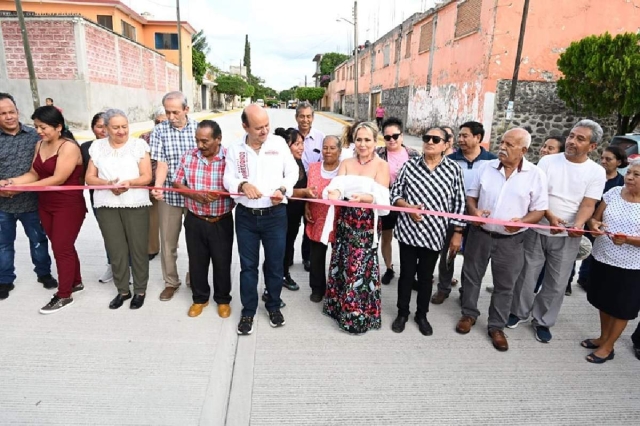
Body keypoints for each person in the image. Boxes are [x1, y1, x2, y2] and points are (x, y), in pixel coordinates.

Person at [508, 120, 607, 344]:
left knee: (557, 281)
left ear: (592, 147)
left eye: (580, 138)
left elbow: (588, 203)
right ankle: (518, 312)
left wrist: (578, 224)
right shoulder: (548, 161)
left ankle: (543, 321)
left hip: (568, 236)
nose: (572, 141)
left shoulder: (596, 172)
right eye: (571, 136)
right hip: (539, 227)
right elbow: (537, 194)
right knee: (526, 275)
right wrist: (550, 217)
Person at [455, 128, 548, 351]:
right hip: (480, 234)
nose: (502, 148)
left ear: (524, 150)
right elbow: (471, 197)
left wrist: (523, 220)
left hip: (511, 241)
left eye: (509, 145)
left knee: (505, 286)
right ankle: (469, 314)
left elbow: (540, 210)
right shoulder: (486, 168)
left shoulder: (536, 175)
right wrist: (474, 211)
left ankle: (496, 326)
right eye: (502, 143)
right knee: (471, 277)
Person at [0, 106, 86, 314]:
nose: (39, 131)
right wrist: (10, 182)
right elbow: (34, 174)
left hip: (68, 205)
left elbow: (58, 178)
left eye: (44, 127)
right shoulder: (39, 145)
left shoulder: (69, 147)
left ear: (58, 127)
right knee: (62, 245)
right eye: (37, 126)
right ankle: (76, 281)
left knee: (61, 248)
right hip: (45, 204)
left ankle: (64, 295)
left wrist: (20, 189)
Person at [223, 104, 298, 335]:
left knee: (275, 265)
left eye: (267, 125)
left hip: (275, 216)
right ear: (245, 126)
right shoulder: (235, 149)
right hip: (246, 217)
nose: (264, 131)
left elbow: (293, 172)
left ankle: (273, 305)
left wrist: (283, 189)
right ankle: (248, 311)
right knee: (248, 267)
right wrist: (242, 185)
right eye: (258, 127)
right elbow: (228, 177)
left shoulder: (278, 144)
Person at [390, 126, 466, 336]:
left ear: (445, 145)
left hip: (434, 234)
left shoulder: (453, 169)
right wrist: (407, 207)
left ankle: (421, 314)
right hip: (408, 232)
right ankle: (402, 313)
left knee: (425, 277)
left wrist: (458, 232)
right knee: (406, 275)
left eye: (435, 139)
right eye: (427, 138)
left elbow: (459, 203)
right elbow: (395, 193)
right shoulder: (409, 166)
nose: (430, 142)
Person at [322, 121, 391, 334]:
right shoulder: (346, 162)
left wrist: (366, 198)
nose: (362, 144)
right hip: (346, 222)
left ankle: (358, 316)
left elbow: (383, 197)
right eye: (359, 139)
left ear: (375, 141)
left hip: (366, 224)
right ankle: (337, 308)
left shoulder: (381, 165)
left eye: (367, 140)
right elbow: (335, 187)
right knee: (343, 262)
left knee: (360, 268)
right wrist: (332, 193)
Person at [85, 109, 152, 310]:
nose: (121, 131)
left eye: (124, 126)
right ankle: (123, 290)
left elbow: (146, 176)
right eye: (116, 127)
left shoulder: (138, 145)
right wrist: (107, 184)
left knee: (138, 248)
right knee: (116, 250)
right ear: (105, 129)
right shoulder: (97, 147)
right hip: (107, 204)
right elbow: (89, 178)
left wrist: (129, 183)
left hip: (135, 203)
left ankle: (140, 290)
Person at [174, 120, 234, 318]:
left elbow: (239, 186)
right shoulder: (188, 157)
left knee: (222, 262)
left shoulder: (230, 158)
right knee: (197, 262)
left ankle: (223, 300)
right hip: (195, 220)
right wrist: (194, 195)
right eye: (197, 140)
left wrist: (223, 193)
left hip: (221, 221)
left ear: (218, 139)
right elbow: (177, 183)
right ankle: (200, 299)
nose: (200, 146)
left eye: (205, 141)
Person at [431, 121, 496, 305]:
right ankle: (443, 288)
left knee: (472, 259)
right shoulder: (449, 160)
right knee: (446, 255)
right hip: (451, 217)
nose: (460, 139)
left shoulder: (491, 161)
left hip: (477, 219)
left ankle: (466, 291)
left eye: (465, 135)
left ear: (478, 138)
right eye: (459, 136)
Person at [0, 93, 57, 300]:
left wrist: (19, 185)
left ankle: (44, 274)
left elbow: (43, 168)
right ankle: (5, 280)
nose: (8, 117)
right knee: (3, 244)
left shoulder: (35, 136)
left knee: (38, 240)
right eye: (3, 113)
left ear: (17, 111)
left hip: (32, 201)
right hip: (2, 204)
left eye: (11, 112)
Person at [583, 159, 640, 363]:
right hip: (603, 257)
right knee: (604, 300)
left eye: (636, 175)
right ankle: (603, 337)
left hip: (632, 266)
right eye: (629, 172)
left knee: (621, 307)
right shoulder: (613, 192)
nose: (630, 177)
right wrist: (595, 225)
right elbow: (594, 218)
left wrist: (629, 240)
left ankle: (609, 346)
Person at [150, 91, 198, 301]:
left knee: (196, 241)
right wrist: (159, 186)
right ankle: (171, 282)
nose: (170, 117)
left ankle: (194, 276)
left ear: (186, 110)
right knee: (168, 242)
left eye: (175, 112)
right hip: (170, 196)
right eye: (167, 112)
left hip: (194, 196)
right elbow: (162, 162)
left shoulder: (199, 129)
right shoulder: (159, 131)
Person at [576, 145, 627, 291]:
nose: (603, 161)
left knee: (593, 250)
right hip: (583, 217)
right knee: (576, 250)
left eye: (608, 159)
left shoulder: (621, 183)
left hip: (603, 224)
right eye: (602, 158)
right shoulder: (593, 176)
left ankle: (585, 278)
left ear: (618, 162)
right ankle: (568, 282)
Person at [376, 117, 420, 285]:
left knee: (409, 240)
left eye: (395, 136)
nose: (392, 140)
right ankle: (389, 267)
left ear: (402, 136)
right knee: (386, 237)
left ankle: (411, 273)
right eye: (387, 137)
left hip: (407, 203)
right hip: (386, 203)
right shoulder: (378, 154)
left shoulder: (413, 155)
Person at [274, 127, 316, 291]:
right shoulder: (281, 165)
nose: (301, 147)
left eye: (302, 143)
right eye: (296, 144)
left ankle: (283, 273)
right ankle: (277, 279)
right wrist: (304, 192)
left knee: (288, 244)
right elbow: (281, 190)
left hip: (295, 214)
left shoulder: (297, 161)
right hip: (283, 213)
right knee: (279, 247)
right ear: (286, 146)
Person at [305, 135, 342, 302]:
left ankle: (336, 290)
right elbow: (307, 191)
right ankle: (317, 288)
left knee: (338, 257)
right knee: (317, 257)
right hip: (317, 218)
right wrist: (306, 206)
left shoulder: (344, 169)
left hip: (338, 219)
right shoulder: (313, 168)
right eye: (325, 148)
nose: (328, 151)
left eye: (332, 148)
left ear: (339, 151)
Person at [80, 112, 114, 283]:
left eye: (106, 126)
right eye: (99, 126)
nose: (103, 130)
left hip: (123, 197)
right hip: (99, 199)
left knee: (126, 235)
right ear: (93, 128)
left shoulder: (121, 145)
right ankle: (112, 265)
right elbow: (80, 176)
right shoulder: (86, 148)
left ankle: (128, 267)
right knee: (108, 234)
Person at [295, 102, 325, 271]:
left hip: (313, 188)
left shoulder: (320, 138)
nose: (305, 120)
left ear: (313, 118)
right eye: (301, 116)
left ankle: (307, 258)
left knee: (310, 224)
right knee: (290, 226)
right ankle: (287, 257)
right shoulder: (290, 135)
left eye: (308, 116)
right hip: (294, 188)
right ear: (296, 117)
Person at [140, 107, 168, 262]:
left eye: (164, 121)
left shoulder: (176, 135)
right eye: (158, 121)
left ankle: (170, 246)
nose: (160, 124)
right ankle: (152, 248)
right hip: (151, 183)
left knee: (170, 220)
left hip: (173, 184)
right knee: (152, 218)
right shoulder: (145, 137)